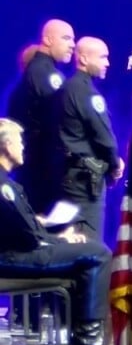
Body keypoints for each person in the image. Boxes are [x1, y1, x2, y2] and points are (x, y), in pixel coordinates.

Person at [0, 118, 111, 345]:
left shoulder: (8, 184)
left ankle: (80, 328)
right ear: (7, 146)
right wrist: (61, 240)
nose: (23, 146)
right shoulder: (4, 187)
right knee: (98, 253)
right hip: (13, 257)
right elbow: (28, 236)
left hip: (16, 251)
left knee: (85, 257)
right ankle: (89, 334)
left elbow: (25, 227)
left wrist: (54, 236)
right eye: (19, 141)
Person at [55, 36, 124, 241]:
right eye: (103, 57)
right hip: (84, 181)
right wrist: (115, 164)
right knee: (90, 245)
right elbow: (104, 138)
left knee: (74, 238)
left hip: (70, 175)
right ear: (84, 59)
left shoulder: (67, 88)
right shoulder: (85, 93)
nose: (108, 63)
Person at [6, 19, 76, 214]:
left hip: (37, 167)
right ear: (48, 39)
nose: (72, 44)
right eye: (66, 38)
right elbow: (64, 115)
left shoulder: (38, 71)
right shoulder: (43, 73)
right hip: (43, 169)